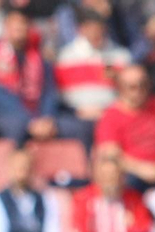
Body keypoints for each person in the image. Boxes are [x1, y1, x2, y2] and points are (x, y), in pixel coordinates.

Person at [67, 148, 154, 232]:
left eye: (114, 176)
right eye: (106, 176)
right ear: (97, 176)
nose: (110, 181)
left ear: (123, 177)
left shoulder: (135, 201)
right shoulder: (83, 200)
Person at [52, 7, 129, 147]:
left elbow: (129, 92)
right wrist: (77, 110)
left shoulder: (120, 56)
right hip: (76, 115)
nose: (95, 33)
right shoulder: (66, 57)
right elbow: (59, 94)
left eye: (98, 28)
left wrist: (109, 110)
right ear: (81, 29)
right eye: (90, 28)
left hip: (112, 114)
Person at [0, 8, 57, 144]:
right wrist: (28, 120)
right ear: (5, 26)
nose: (19, 27)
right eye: (14, 23)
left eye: (23, 23)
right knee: (17, 126)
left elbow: (49, 91)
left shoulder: (39, 57)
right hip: (6, 115)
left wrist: (47, 117)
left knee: (70, 127)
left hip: (38, 115)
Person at [93, 64, 155, 187]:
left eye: (143, 85)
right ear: (121, 88)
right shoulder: (111, 116)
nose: (139, 91)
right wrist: (144, 170)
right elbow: (111, 155)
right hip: (130, 176)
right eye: (132, 87)